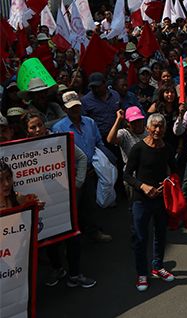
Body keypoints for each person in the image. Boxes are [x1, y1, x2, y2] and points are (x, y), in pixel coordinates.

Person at [22, 112, 96, 288]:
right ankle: (58, 269)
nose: (38, 129)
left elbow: (81, 157)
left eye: (40, 124)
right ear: (27, 130)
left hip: (63, 198)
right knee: (49, 238)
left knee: (73, 236)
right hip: (42, 203)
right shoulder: (22, 149)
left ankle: (75, 274)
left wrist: (78, 182)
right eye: (33, 127)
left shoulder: (58, 140)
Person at [124, 113, 178, 292]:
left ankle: (157, 267)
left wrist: (167, 183)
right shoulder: (138, 149)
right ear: (147, 128)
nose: (157, 129)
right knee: (140, 238)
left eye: (161, 126)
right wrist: (142, 186)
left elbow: (174, 170)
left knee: (160, 233)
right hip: (141, 201)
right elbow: (126, 175)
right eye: (154, 126)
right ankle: (141, 274)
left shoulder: (167, 148)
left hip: (161, 200)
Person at [52, 91, 112, 243]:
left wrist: (103, 163)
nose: (75, 109)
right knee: (73, 208)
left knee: (90, 204)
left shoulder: (90, 122)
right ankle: (73, 237)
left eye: (77, 106)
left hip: (91, 171)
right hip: (71, 175)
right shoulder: (59, 128)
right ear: (65, 109)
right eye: (71, 107)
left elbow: (98, 142)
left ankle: (92, 232)